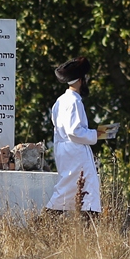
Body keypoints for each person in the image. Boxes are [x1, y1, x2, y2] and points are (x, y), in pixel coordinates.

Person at [45, 57, 106, 216]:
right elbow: (74, 131)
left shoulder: (60, 100)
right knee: (83, 189)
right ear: (81, 80)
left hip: (65, 151)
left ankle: (48, 223)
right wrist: (96, 134)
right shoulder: (73, 101)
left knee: (68, 190)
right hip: (75, 152)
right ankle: (45, 221)